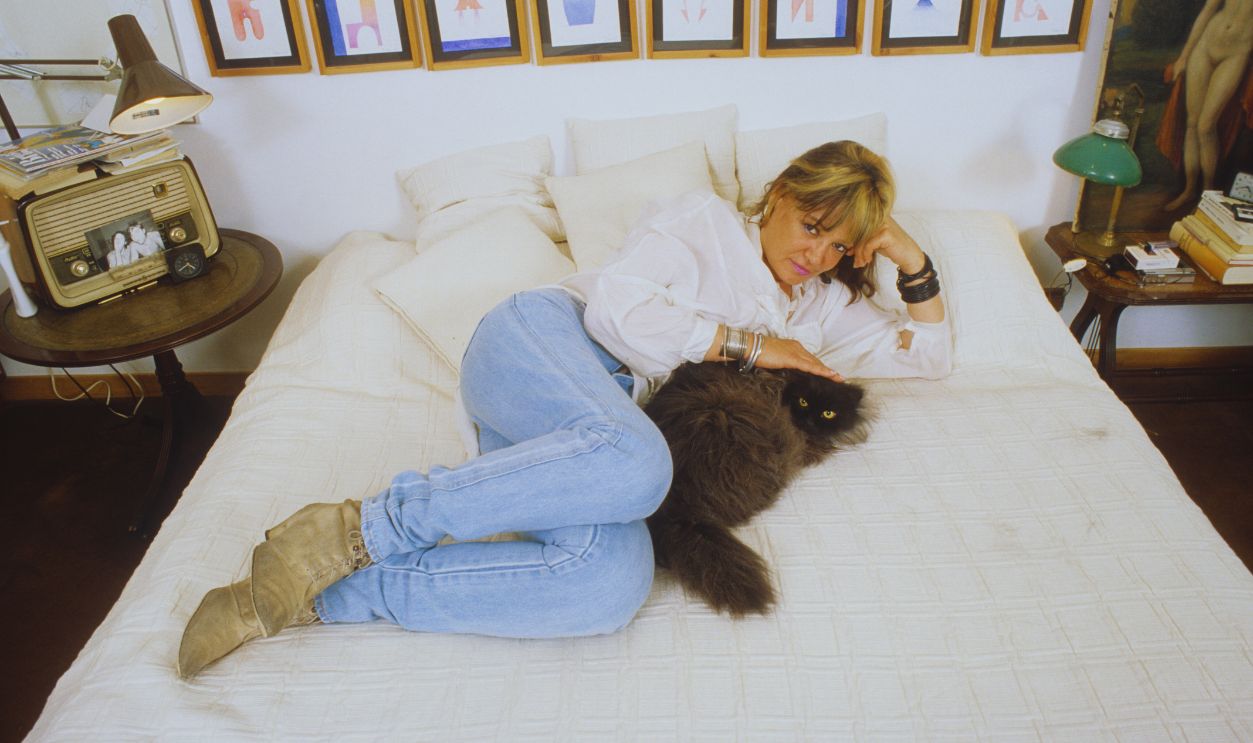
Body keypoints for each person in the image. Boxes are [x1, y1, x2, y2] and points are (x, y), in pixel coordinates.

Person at [177, 140, 952, 678]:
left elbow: (929, 356)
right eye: (809, 227)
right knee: (638, 465)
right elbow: (616, 312)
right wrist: (757, 348)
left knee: (606, 584)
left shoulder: (818, 308)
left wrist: (908, 257)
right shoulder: (703, 223)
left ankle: (314, 593)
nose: (812, 255)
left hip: (591, 430)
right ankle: (355, 529)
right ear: (780, 195)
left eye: (836, 245)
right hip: (538, 345)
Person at [1161, 0, 1253, 212]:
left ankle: (1208, 193)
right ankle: (1189, 190)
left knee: (1205, 126)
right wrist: (1183, 57)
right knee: (1192, 124)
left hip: (1236, 54)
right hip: (1205, 45)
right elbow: (1208, 10)